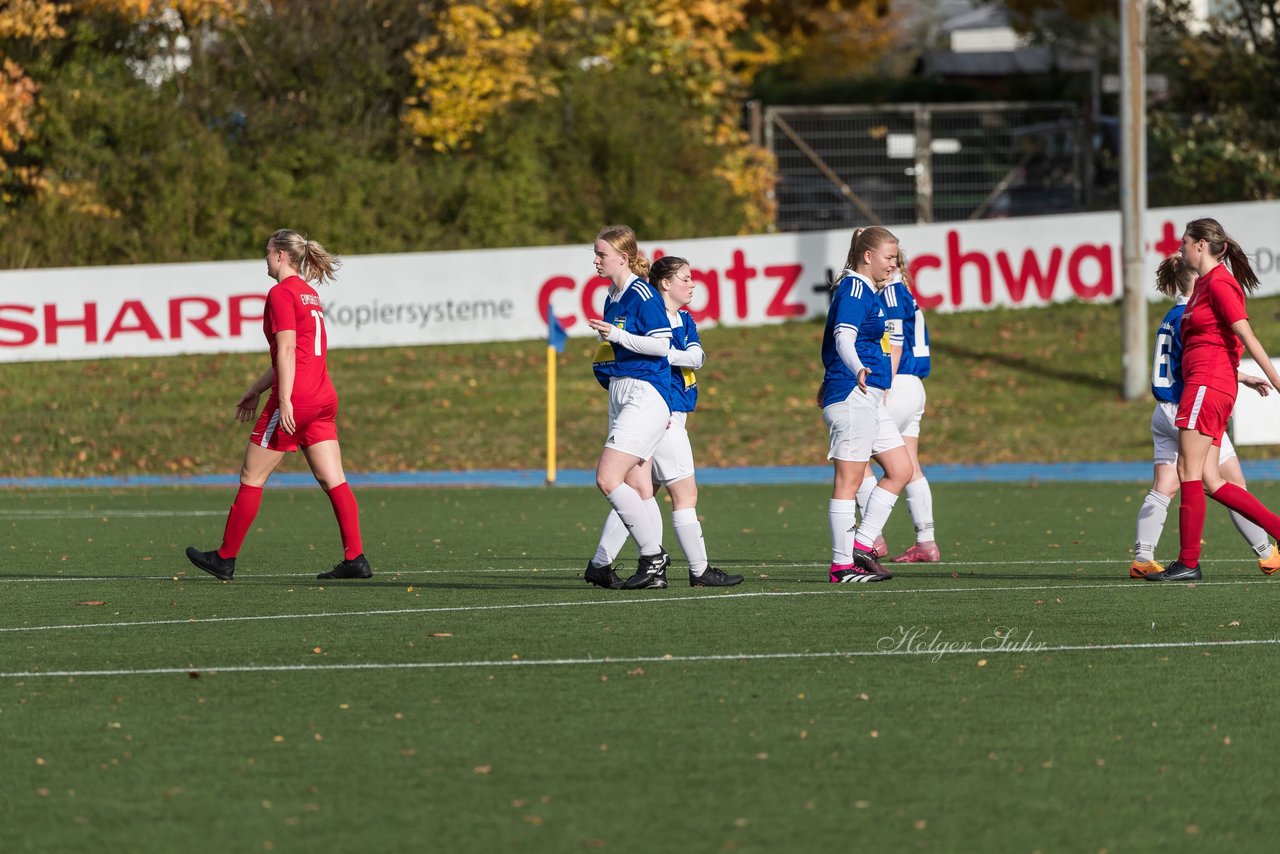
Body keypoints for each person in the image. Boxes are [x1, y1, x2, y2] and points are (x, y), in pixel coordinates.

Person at [185, 229, 372, 581]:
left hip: (297, 397)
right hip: (322, 397)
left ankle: (224, 558)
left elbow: (286, 350)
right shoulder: (309, 295)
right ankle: (356, 558)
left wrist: (283, 400)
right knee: (334, 478)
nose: (265, 258)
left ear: (281, 255)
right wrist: (256, 390)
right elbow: (296, 354)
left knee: (251, 477)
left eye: (268, 252)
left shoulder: (280, 293)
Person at [585, 256, 744, 588]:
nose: (692, 284)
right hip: (663, 413)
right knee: (683, 494)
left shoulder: (684, 319)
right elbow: (630, 353)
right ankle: (697, 570)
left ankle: (603, 563)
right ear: (666, 284)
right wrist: (661, 351)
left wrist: (666, 352)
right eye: (685, 278)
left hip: (664, 411)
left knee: (640, 492)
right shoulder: (652, 314)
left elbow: (697, 357)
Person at [1147, 217, 1280, 582]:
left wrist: (1275, 380)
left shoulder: (1220, 283)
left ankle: (1188, 562)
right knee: (1210, 480)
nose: (1181, 249)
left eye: (1184, 243)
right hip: (1208, 386)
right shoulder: (1203, 286)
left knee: (1188, 472)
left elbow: (1247, 336)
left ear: (1201, 245)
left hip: (1206, 387)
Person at [818, 226, 915, 583]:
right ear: (868, 256)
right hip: (852, 393)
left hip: (868, 397)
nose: (894, 264)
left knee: (900, 468)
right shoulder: (855, 288)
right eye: (890, 258)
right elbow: (843, 335)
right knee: (849, 480)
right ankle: (841, 566)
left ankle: (861, 545)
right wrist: (856, 367)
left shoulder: (867, 291)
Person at [583, 225, 674, 590]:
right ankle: (622, 568)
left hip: (645, 393)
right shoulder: (612, 296)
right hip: (623, 392)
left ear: (623, 257)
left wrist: (616, 336)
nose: (596, 260)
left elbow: (661, 346)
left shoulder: (643, 293)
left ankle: (653, 557)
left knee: (608, 478)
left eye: (601, 254)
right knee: (638, 488)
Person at [855, 252, 940, 563]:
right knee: (910, 465)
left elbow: (895, 341)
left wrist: (883, 386)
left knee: (857, 457)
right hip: (914, 385)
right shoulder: (903, 292)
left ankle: (871, 538)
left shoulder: (890, 292)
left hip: (898, 382)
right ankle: (926, 541)